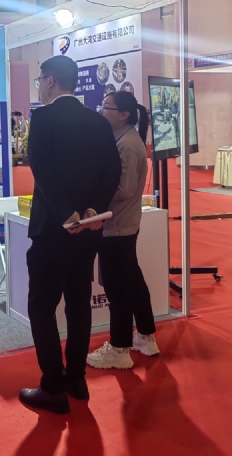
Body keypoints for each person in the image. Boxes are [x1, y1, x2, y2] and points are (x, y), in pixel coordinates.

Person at [18, 56, 122, 415]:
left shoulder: (43, 118)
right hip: (88, 231)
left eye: (39, 81)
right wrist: (93, 210)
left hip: (52, 230)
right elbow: (113, 170)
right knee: (79, 304)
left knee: (42, 307)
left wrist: (66, 213)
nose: (39, 87)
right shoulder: (98, 121)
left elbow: (42, 169)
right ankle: (76, 379)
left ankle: (53, 387)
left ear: (50, 81)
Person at [86, 91, 159, 370]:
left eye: (106, 107)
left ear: (124, 114)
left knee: (117, 288)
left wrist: (91, 196)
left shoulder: (127, 144)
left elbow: (124, 189)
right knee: (132, 280)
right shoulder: (123, 138)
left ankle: (119, 348)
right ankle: (145, 336)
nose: (101, 111)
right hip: (122, 223)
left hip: (117, 225)